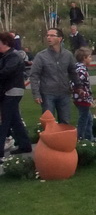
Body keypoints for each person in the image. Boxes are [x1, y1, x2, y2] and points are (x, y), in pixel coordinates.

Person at [29, 27, 76, 124]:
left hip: (64, 93)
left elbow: (73, 72)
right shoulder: (41, 56)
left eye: (52, 35)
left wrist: (78, 86)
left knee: (65, 121)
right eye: (47, 35)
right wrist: (36, 94)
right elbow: (34, 75)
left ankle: (64, 139)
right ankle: (49, 139)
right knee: (48, 122)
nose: (48, 38)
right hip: (47, 94)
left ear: (60, 38)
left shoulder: (68, 55)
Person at [0, 31, 32, 159]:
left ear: (5, 43)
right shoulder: (6, 56)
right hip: (9, 91)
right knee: (14, 120)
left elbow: (6, 72)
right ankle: (25, 145)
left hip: (11, 91)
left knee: (4, 121)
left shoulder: (13, 56)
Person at [72, 47, 94, 141]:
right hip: (82, 99)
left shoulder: (77, 67)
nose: (91, 59)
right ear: (84, 58)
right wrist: (84, 94)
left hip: (80, 98)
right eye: (89, 57)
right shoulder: (81, 70)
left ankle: (89, 138)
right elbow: (75, 84)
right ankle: (80, 138)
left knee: (89, 119)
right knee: (84, 120)